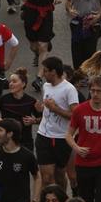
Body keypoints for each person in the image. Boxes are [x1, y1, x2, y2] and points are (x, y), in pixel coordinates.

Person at [16, 0, 62, 82]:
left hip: (46, 13)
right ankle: (38, 52)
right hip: (31, 12)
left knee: (43, 46)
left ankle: (38, 78)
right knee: (34, 45)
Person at [35, 56, 79, 188]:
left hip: (61, 138)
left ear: (53, 72)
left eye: (45, 71)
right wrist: (41, 109)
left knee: (60, 175)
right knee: (47, 178)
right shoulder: (46, 86)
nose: (43, 73)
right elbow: (47, 110)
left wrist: (55, 109)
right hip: (43, 136)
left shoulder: (69, 89)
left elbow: (76, 116)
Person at [0, 120, 40, 202]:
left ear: (10, 134)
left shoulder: (27, 155)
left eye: (0, 130)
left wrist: (34, 201)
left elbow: (37, 177)